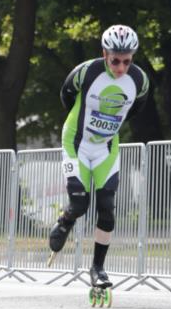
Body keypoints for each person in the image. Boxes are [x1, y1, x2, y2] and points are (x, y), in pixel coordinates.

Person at [49, 24, 148, 289]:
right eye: (115, 61)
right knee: (80, 203)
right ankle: (65, 220)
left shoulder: (139, 80)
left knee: (107, 207)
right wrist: (81, 121)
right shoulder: (87, 72)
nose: (120, 68)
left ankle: (98, 269)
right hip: (77, 143)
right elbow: (66, 95)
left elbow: (136, 107)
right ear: (105, 53)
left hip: (106, 147)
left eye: (127, 61)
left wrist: (107, 126)